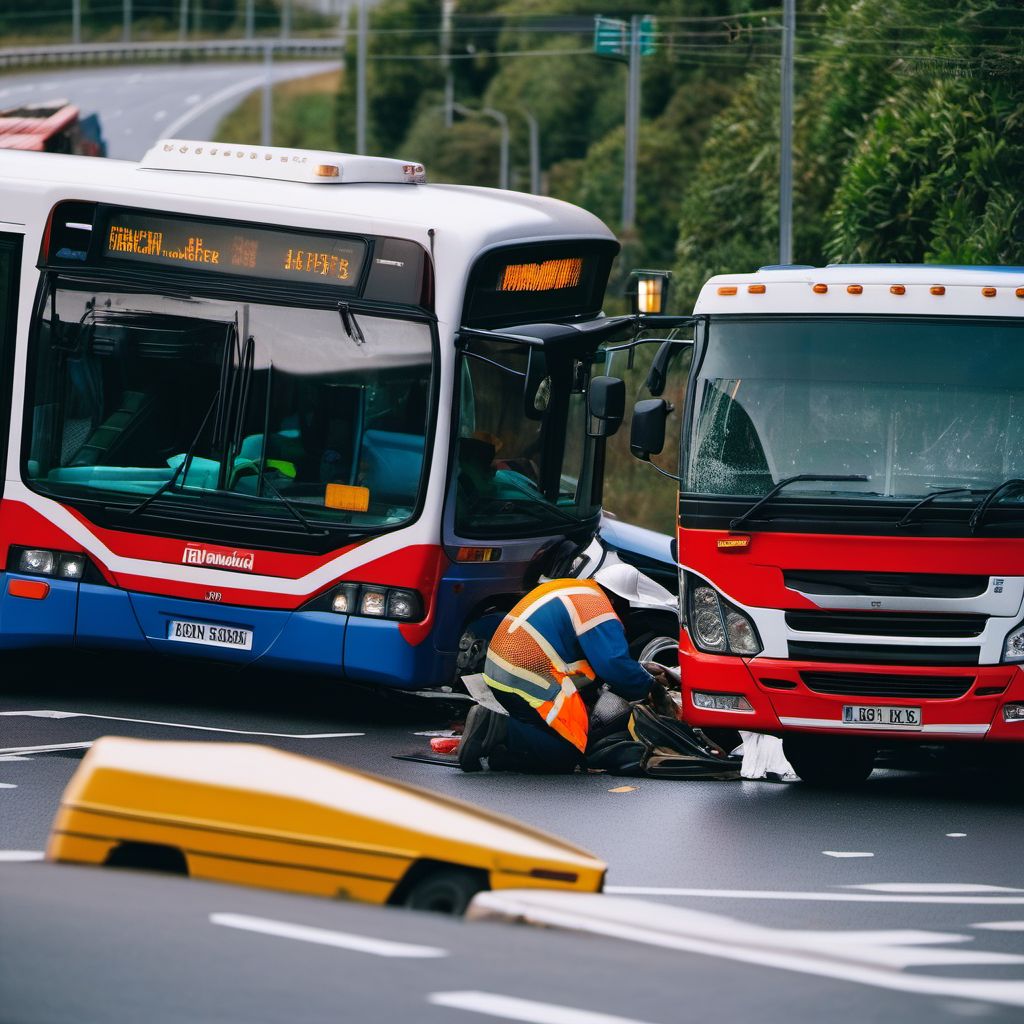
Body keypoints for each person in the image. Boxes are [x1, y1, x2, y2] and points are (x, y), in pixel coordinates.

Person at [458, 561, 675, 773]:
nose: (624, 615)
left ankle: (501, 752)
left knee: (542, 735)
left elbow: (589, 661)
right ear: (618, 599)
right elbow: (613, 665)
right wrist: (651, 687)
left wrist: (640, 672)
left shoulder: (574, 589)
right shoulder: (598, 606)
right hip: (525, 677)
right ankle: (499, 728)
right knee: (566, 755)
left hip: (502, 671)